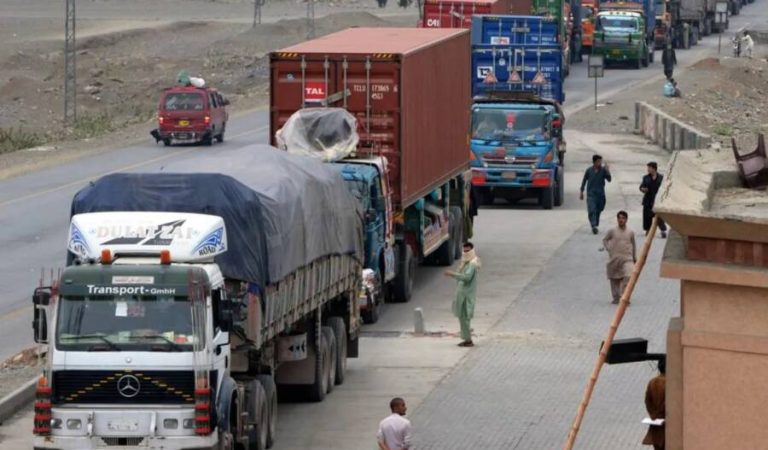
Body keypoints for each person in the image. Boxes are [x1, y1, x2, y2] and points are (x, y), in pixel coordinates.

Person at [445, 242, 480, 347]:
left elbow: (466, 278)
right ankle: (466, 339)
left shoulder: (472, 264)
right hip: (462, 295)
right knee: (462, 318)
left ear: (472, 250)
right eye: (464, 250)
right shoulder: (465, 262)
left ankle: (468, 340)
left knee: (465, 319)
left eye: (467, 250)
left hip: (466, 296)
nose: (465, 252)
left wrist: (452, 274)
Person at [602, 211, 636, 304]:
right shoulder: (612, 231)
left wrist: (634, 257)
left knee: (629, 275)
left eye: (623, 218)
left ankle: (624, 296)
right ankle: (616, 297)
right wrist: (608, 248)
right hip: (614, 258)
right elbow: (605, 240)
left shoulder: (630, 232)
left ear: (626, 220)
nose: (621, 220)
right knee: (614, 278)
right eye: (619, 218)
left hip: (627, 259)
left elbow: (633, 244)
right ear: (617, 219)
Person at [580, 154, 612, 234]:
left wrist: (608, 170)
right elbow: (584, 180)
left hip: (600, 195)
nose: (600, 163)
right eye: (598, 161)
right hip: (591, 194)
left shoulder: (603, 170)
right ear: (594, 162)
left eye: (600, 161)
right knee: (592, 209)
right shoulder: (589, 170)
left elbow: (609, 179)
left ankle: (595, 223)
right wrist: (581, 191)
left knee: (599, 209)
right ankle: (594, 225)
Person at [640, 161, 668, 238]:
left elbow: (665, 188)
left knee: (659, 216)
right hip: (648, 200)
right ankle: (648, 230)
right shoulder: (645, 178)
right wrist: (643, 189)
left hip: (657, 200)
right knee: (647, 216)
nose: (648, 169)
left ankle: (663, 230)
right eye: (648, 168)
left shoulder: (661, 178)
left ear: (654, 168)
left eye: (649, 168)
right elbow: (641, 186)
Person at [642, 359, 666, 450]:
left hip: (655, 424)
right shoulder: (670, 382)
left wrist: (653, 415)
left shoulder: (652, 382)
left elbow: (647, 401)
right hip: (666, 424)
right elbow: (669, 402)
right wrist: (661, 413)